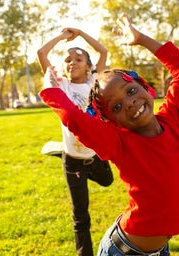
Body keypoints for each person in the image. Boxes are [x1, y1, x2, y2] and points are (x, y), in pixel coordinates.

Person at [39, 13, 179, 255]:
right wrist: (49, 87)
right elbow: (72, 117)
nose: (129, 103)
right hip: (124, 251)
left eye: (131, 90)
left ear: (146, 87)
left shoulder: (173, 118)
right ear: (110, 121)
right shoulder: (118, 142)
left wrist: (142, 39)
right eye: (116, 107)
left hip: (160, 249)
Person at [37, 28, 114, 256]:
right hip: (73, 162)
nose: (72, 63)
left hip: (96, 155)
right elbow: (42, 53)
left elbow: (103, 50)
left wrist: (80, 34)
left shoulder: (95, 81)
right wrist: (62, 37)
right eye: (68, 60)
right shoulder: (61, 85)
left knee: (108, 181)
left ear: (88, 66)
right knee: (80, 215)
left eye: (78, 59)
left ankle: (64, 154)